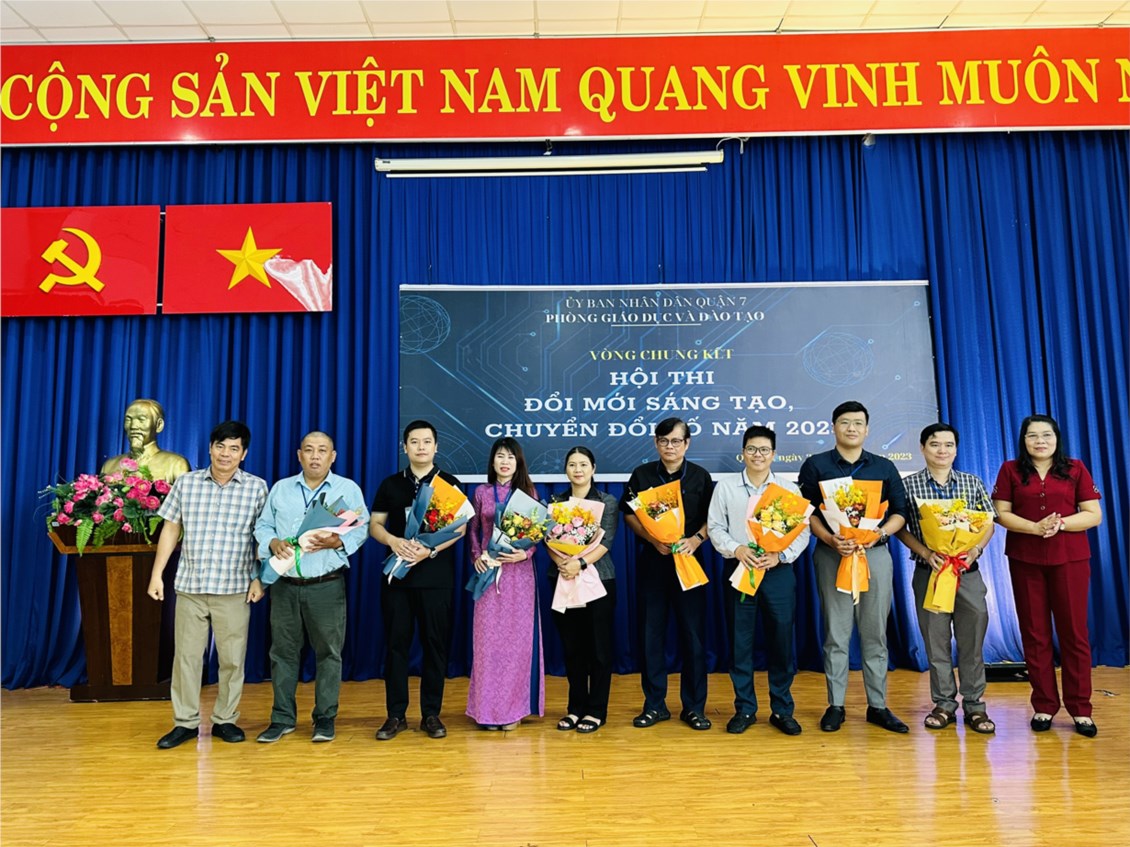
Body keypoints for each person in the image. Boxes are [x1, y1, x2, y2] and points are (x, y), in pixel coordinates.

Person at [147, 420, 267, 749]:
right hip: (191, 586)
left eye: (234, 448)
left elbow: (263, 537)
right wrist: (157, 574)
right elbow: (171, 529)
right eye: (220, 446)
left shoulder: (257, 488)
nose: (226, 454)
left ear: (244, 454)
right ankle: (185, 723)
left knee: (232, 660)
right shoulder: (187, 483)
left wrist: (260, 577)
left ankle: (225, 720)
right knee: (186, 659)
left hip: (235, 587)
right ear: (211, 448)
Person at [797, 401, 909, 734]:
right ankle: (836, 705)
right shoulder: (816, 465)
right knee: (836, 632)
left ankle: (878, 706)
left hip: (874, 555)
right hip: (832, 555)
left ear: (867, 429)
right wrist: (830, 540)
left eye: (858, 423)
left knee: (875, 632)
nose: (851, 428)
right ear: (833, 427)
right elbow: (806, 513)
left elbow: (900, 512)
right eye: (845, 422)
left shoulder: (883, 467)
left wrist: (878, 535)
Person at [253, 431, 369, 744]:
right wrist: (272, 542)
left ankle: (325, 719)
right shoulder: (281, 489)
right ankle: (282, 719)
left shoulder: (347, 489)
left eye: (322, 450)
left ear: (333, 456)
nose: (315, 456)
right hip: (285, 585)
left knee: (329, 653)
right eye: (309, 450)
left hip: (326, 585)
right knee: (282, 654)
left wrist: (338, 542)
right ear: (299, 455)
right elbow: (263, 525)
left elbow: (362, 529)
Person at [992, 414, 1103, 738]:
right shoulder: (1010, 469)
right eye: (1032, 435)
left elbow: (1093, 514)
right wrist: (1034, 528)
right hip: (1025, 560)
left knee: (1074, 634)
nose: (1040, 441)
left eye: (1046, 435)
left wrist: (1061, 524)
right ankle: (1044, 705)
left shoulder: (1075, 468)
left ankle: (1080, 709)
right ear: (1023, 440)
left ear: (1057, 439)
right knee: (1034, 633)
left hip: (1070, 560)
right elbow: (1000, 513)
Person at [707, 425, 810, 736]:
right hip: (740, 570)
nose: (757, 455)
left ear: (774, 454)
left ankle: (782, 709)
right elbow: (715, 527)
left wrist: (780, 555)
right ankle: (745, 709)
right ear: (743, 452)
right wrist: (736, 549)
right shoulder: (725, 487)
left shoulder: (788, 489)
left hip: (777, 572)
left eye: (764, 450)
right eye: (751, 449)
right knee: (740, 642)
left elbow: (802, 531)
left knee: (781, 640)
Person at [896, 424, 997, 734]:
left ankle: (975, 705)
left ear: (956, 449)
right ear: (922, 448)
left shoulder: (971, 482)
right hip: (930, 574)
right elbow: (900, 527)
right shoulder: (907, 485)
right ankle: (943, 704)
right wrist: (926, 553)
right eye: (935, 444)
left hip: (967, 573)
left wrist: (975, 550)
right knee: (936, 642)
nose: (942, 450)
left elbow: (989, 522)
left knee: (972, 641)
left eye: (948, 444)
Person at [369, 420, 466, 741]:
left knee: (435, 646)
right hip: (397, 578)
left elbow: (460, 528)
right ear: (405, 447)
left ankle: (431, 714)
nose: (421, 447)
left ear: (436, 447)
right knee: (396, 646)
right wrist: (393, 541)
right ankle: (396, 715)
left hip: (436, 579)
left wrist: (430, 551)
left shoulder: (449, 483)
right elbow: (375, 524)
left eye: (426, 442)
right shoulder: (390, 484)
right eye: (414, 441)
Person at [620, 417, 715, 731]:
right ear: (655, 443)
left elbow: (713, 519)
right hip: (654, 564)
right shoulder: (642, 474)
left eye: (676, 441)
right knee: (651, 636)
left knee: (694, 637)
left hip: (690, 564)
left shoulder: (700, 476)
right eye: (663, 441)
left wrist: (696, 539)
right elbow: (629, 514)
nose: (669, 446)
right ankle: (654, 705)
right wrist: (651, 539)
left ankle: (694, 708)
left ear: (687, 443)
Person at [466, 437, 544, 730]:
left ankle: (514, 710)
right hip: (488, 572)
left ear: (518, 461)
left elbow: (536, 534)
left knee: (517, 644)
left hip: (519, 575)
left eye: (511, 457)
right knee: (487, 645)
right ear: (493, 461)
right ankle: (487, 711)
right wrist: (477, 556)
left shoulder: (529, 492)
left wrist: (526, 553)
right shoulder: (482, 492)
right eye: (500, 456)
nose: (505, 461)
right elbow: (473, 529)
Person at [546, 446, 619, 734]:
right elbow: (547, 541)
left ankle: (596, 710)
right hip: (562, 577)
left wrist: (580, 563)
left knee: (599, 649)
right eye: (572, 465)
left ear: (593, 468)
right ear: (565, 469)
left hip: (599, 580)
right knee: (572, 648)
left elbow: (606, 542)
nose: (578, 470)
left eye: (583, 464)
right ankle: (575, 708)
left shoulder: (607, 502)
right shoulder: (555, 502)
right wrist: (563, 563)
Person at [101, 398, 190, 482]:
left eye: (141, 419)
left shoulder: (176, 464)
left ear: (159, 425)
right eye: (128, 419)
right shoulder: (109, 466)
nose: (133, 426)